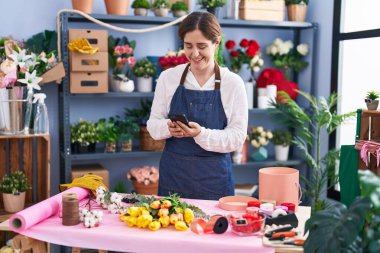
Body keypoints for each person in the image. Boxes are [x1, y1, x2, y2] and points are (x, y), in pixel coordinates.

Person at [147, 11, 248, 200]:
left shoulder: (232, 83)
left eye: (202, 46)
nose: (194, 54)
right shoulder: (168, 78)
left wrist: (201, 134)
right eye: (188, 46)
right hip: (174, 179)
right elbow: (153, 125)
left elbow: (237, 137)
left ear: (216, 43)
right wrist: (168, 128)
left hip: (214, 182)